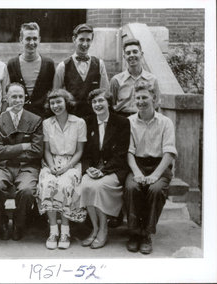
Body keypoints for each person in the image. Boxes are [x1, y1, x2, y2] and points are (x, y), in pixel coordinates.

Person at [124, 81, 177, 254]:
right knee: (132, 187)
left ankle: (146, 233)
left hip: (159, 165)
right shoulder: (129, 122)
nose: (141, 101)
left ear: (153, 98)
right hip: (136, 164)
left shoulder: (165, 122)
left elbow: (169, 153)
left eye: (145, 97)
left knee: (155, 190)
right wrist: (137, 172)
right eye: (137, 98)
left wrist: (155, 174)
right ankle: (133, 232)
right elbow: (128, 152)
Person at [0, 82, 43, 241]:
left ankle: (20, 224)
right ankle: (1, 224)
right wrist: (24, 146)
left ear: (25, 98)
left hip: (27, 167)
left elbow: (37, 151)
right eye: (13, 96)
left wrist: (9, 152)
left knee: (26, 190)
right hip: (2, 166)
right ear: (6, 98)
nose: (17, 100)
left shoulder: (35, 120)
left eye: (20, 96)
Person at [79, 88, 130, 249]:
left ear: (109, 103)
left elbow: (122, 153)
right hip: (94, 168)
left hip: (115, 168)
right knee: (86, 185)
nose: (97, 104)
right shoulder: (87, 122)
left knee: (99, 187)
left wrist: (103, 170)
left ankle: (104, 229)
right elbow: (84, 153)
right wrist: (88, 169)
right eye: (94, 102)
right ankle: (94, 229)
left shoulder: (122, 122)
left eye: (101, 100)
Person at [37, 89, 86, 250]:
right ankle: (53, 230)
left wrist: (67, 167)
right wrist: (51, 166)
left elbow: (79, 151)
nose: (55, 106)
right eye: (52, 103)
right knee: (48, 185)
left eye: (59, 102)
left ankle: (65, 230)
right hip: (51, 162)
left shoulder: (79, 122)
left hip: (71, 163)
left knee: (66, 185)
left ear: (67, 103)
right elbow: (46, 150)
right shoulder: (46, 123)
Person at [53, 23, 109, 119]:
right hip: (72, 119)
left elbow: (106, 93)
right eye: (81, 39)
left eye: (88, 40)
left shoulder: (100, 64)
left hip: (94, 118)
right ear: (74, 39)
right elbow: (56, 96)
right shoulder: (63, 66)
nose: (85, 44)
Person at [7, 22, 55, 117]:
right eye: (28, 39)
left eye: (35, 39)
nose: (32, 43)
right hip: (19, 117)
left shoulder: (48, 64)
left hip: (43, 116)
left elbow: (52, 91)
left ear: (39, 40)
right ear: (21, 40)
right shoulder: (12, 64)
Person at [110, 38, 161, 117]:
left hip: (144, 119)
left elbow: (156, 106)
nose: (132, 55)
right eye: (128, 53)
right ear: (124, 56)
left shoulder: (152, 80)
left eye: (135, 52)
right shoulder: (116, 80)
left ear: (141, 54)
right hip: (122, 120)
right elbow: (111, 106)